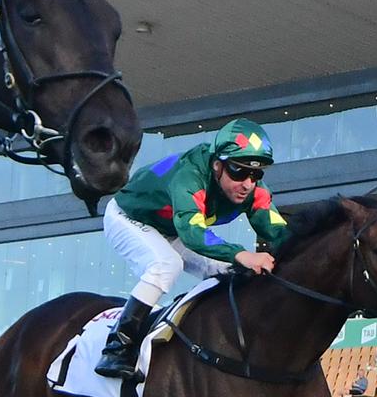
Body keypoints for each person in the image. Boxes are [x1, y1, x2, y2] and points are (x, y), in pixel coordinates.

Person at [95, 118, 287, 379]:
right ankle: (117, 347)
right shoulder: (190, 174)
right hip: (129, 217)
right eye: (239, 172)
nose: (247, 183)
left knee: (231, 269)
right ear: (217, 165)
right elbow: (192, 232)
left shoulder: (253, 190)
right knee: (166, 264)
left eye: (256, 174)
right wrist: (242, 254)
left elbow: (279, 231)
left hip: (172, 228)